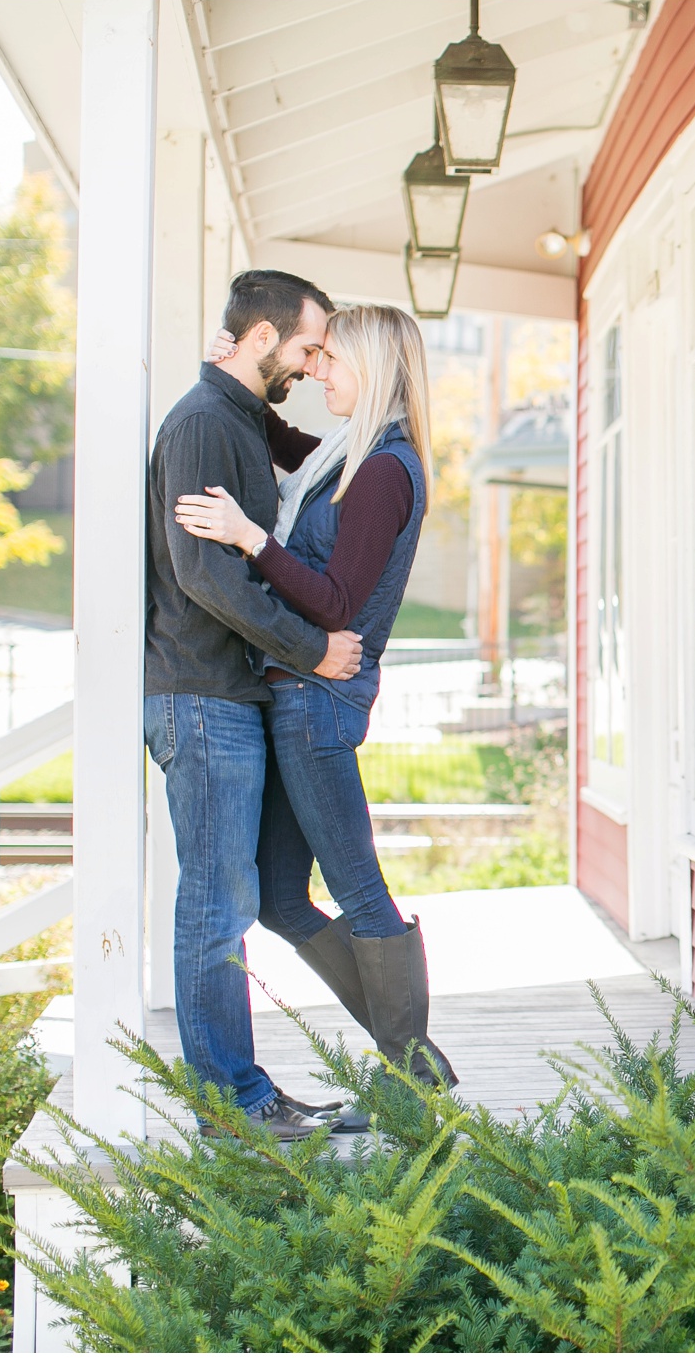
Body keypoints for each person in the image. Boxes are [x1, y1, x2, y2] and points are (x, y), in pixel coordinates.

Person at [176, 304, 457, 1097]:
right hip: (295, 700)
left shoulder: (385, 469)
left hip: (317, 704)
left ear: (369, 365)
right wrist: (232, 367)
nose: (316, 372)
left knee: (359, 889)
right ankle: (414, 1057)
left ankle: (409, 1078)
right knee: (276, 894)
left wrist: (249, 538)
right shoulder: (347, 452)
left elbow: (336, 602)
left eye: (329, 359)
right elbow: (273, 436)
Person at [146, 269, 358, 1140]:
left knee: (228, 900)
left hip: (225, 696)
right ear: (265, 339)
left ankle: (242, 1094)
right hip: (200, 697)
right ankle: (232, 1106)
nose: (314, 366)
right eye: (308, 347)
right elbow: (202, 574)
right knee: (218, 905)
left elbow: (308, 455)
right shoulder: (202, 425)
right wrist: (312, 648)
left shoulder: (232, 415)